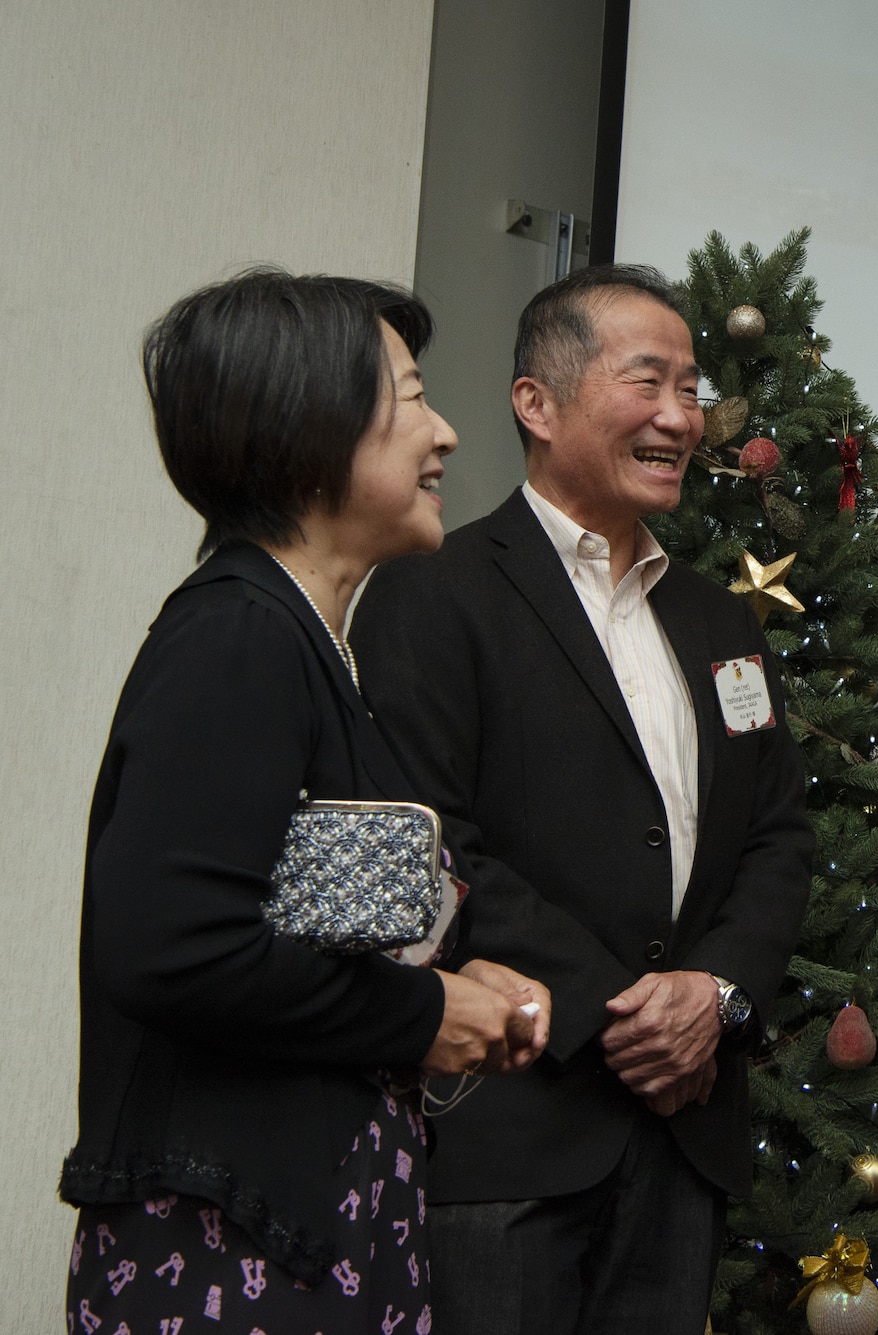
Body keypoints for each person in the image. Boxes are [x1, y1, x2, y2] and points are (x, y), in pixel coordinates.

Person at [61, 269, 551, 1335]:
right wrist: (425, 1014)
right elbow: (177, 949)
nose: (447, 435)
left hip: (309, 1223)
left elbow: (293, 932)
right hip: (226, 1246)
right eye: (413, 397)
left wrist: (456, 981)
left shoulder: (304, 641)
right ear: (312, 430)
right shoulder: (237, 636)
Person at [349, 262, 813, 1335]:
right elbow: (431, 843)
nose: (678, 417)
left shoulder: (718, 623)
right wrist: (622, 1015)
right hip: (512, 1130)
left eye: (693, 389)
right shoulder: (433, 591)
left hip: (682, 1132)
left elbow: (779, 836)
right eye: (647, 380)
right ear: (535, 402)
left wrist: (714, 995)